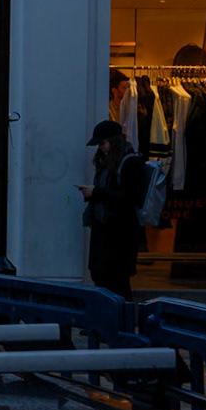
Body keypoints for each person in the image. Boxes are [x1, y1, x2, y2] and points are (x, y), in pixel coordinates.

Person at [80, 119, 147, 299]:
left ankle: (119, 324)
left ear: (114, 141)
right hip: (106, 232)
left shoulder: (130, 163)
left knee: (116, 283)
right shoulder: (109, 163)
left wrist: (96, 193)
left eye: (103, 143)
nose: (100, 148)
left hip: (119, 235)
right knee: (103, 280)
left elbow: (130, 198)